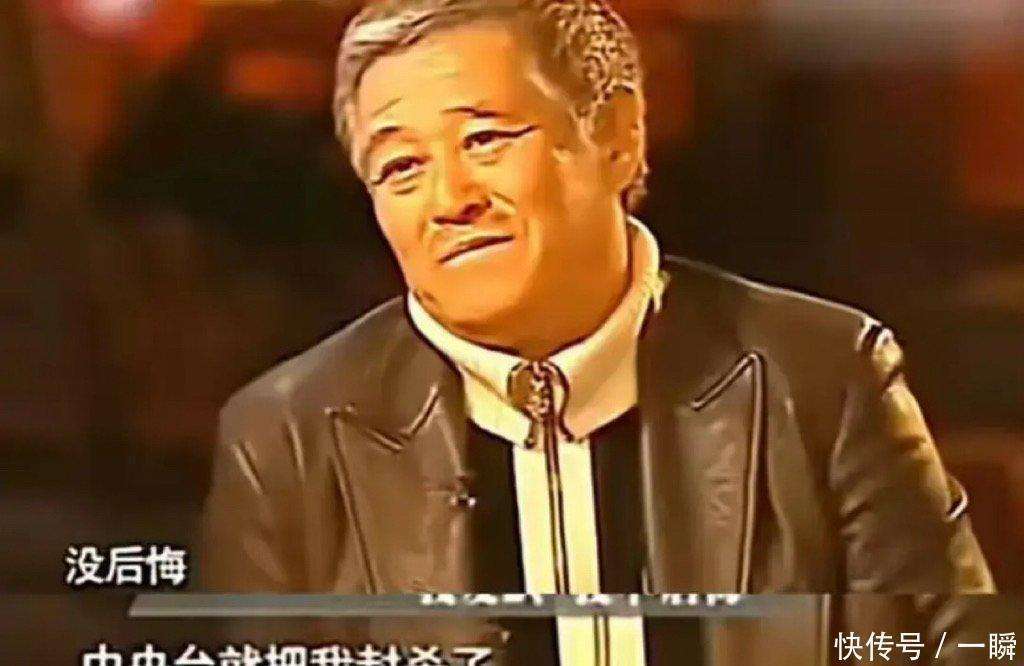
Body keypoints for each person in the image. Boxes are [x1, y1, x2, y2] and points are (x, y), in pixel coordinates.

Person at [200, 1, 994, 663]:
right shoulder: (285, 439)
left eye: (485, 139)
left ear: (616, 136)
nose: (450, 200)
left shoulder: (822, 378)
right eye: (402, 167)